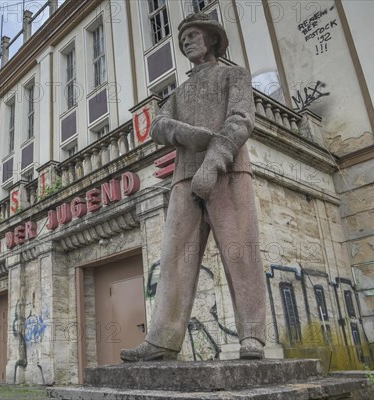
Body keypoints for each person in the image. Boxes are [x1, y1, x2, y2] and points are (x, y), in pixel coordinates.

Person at [121, 13, 266, 362]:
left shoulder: (234, 75)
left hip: (228, 172)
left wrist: (214, 160)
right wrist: (183, 133)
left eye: (194, 34)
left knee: (239, 252)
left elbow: (242, 119)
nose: (187, 41)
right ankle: (163, 339)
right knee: (174, 257)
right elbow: (157, 126)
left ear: (212, 39)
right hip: (185, 178)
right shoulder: (179, 91)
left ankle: (252, 337)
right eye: (183, 37)